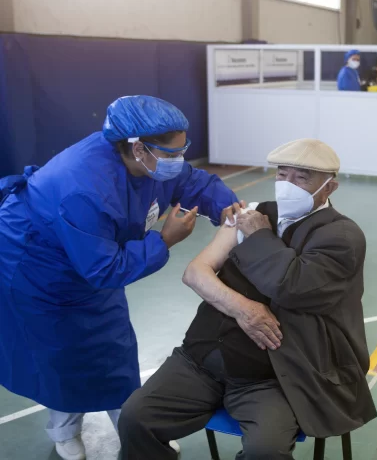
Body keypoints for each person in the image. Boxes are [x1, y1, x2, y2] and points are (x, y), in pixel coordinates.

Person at [0, 95, 240, 460]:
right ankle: (64, 432)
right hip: (37, 271)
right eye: (171, 153)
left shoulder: (148, 162)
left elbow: (193, 182)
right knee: (60, 357)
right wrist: (164, 240)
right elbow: (105, 269)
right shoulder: (82, 187)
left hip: (93, 255)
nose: (178, 160)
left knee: (114, 346)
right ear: (138, 147)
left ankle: (133, 425)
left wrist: (231, 209)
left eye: (182, 150)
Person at [118, 139, 377, 460]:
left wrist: (257, 235)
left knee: (265, 452)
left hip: (271, 377)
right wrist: (244, 310)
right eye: (283, 174)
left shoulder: (341, 237)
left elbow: (292, 287)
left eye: (302, 178)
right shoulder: (252, 212)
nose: (288, 185)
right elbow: (196, 272)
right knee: (135, 418)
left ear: (329, 187)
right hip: (200, 360)